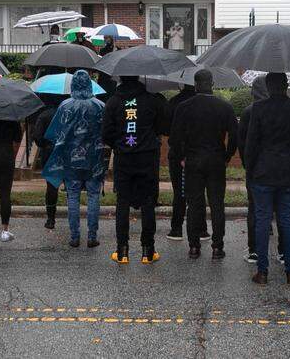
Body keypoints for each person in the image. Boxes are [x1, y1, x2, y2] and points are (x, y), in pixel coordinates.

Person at [245, 73, 290, 285]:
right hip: (289, 172)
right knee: (287, 221)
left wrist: (250, 168)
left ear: (268, 86)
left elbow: (252, 143)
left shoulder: (259, 109)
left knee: (263, 221)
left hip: (263, 171)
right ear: (286, 85)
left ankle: (262, 272)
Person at [170, 69, 238, 260]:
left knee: (194, 204)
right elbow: (235, 135)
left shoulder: (184, 107)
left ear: (196, 84)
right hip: (216, 159)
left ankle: (194, 246)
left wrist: (182, 156)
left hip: (193, 159)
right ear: (212, 84)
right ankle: (217, 246)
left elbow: (175, 138)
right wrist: (227, 155)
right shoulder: (225, 107)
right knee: (217, 204)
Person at [101, 75, 169, 264]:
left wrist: (118, 143)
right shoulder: (152, 100)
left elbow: (106, 133)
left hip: (124, 158)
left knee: (122, 203)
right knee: (148, 203)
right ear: (138, 77)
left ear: (121, 78)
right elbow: (164, 127)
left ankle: (122, 252)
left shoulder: (113, 101)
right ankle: (148, 251)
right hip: (147, 157)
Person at [42, 70, 107, 248]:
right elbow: (107, 132)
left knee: (73, 197)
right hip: (94, 159)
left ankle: (74, 236)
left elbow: (55, 133)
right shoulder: (100, 105)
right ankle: (92, 236)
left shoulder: (65, 105)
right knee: (94, 196)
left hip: (71, 160)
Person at [237, 77, 270, 264]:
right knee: (280, 210)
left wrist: (246, 163)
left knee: (254, 208)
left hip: (254, 167)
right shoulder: (276, 109)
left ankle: (254, 250)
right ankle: (282, 251)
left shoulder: (249, 111)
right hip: (276, 167)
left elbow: (241, 141)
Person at [165, 83, 199, 241]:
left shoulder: (174, 102)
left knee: (179, 192)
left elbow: (166, 129)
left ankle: (176, 228)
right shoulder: (205, 103)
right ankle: (201, 229)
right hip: (199, 153)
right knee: (198, 192)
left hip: (177, 154)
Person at [30, 94, 64, 229]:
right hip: (66, 152)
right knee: (72, 186)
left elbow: (37, 136)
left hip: (50, 153)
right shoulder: (66, 114)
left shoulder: (44, 115)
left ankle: (51, 219)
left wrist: (45, 145)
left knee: (51, 187)